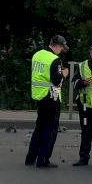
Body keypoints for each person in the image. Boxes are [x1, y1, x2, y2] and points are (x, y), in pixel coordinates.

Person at [25, 35, 70, 169]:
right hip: (51, 98)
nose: (61, 50)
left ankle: (31, 158)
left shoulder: (37, 55)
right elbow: (57, 80)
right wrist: (64, 74)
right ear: (57, 45)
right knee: (50, 130)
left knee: (39, 127)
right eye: (61, 48)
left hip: (39, 96)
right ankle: (43, 159)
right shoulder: (54, 59)